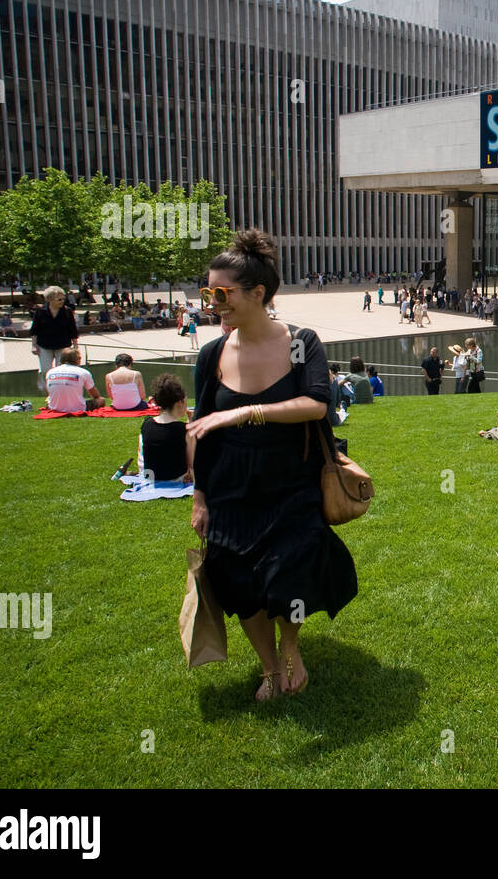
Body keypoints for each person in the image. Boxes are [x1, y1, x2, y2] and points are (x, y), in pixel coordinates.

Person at [188, 229, 357, 702]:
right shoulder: (212, 354)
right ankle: (269, 670)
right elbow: (200, 428)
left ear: (258, 293)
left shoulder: (302, 342)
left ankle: (290, 646)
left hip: (292, 480)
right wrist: (200, 495)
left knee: (291, 573)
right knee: (238, 584)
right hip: (230, 487)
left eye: (220, 294)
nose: (211, 302)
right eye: (207, 292)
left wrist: (246, 411)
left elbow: (317, 405)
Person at [138, 373, 193, 482]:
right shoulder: (183, 430)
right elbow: (192, 462)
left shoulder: (147, 424)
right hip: (176, 477)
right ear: (179, 403)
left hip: (150, 477)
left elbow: (141, 455)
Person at [30, 285, 80, 390]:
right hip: (44, 345)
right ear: (50, 299)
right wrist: (33, 345)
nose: (62, 301)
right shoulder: (40, 311)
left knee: (61, 371)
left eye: (63, 299)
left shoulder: (67, 311)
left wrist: (75, 346)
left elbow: (73, 329)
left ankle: (60, 391)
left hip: (63, 345)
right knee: (45, 370)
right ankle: (49, 391)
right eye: (59, 299)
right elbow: (34, 329)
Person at [45, 346, 105, 412]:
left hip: (55, 407)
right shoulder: (83, 372)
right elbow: (94, 393)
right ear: (77, 360)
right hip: (78, 408)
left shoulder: (50, 372)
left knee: (49, 399)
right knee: (101, 400)